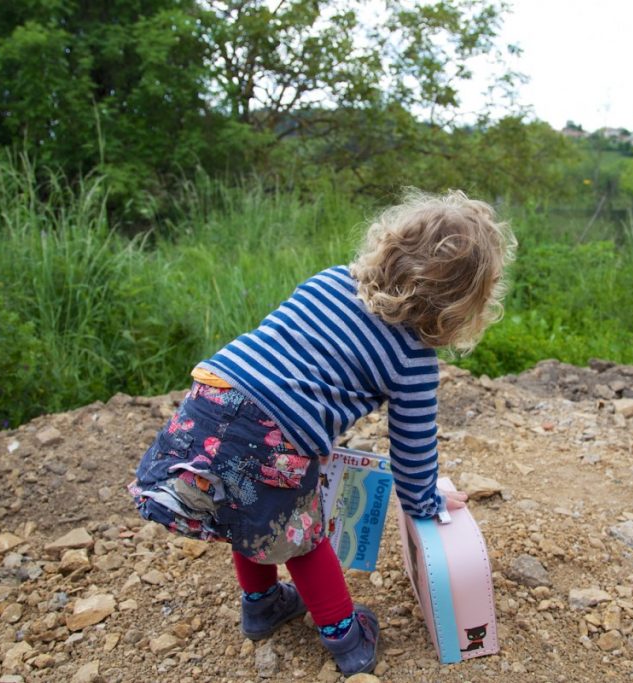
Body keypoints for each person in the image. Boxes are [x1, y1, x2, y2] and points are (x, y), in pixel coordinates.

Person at [128, 189, 516, 676]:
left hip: (211, 396)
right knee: (302, 537)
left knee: (242, 514)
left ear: (390, 244)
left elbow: (295, 358)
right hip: (266, 433)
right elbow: (413, 456)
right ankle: (346, 639)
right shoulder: (414, 360)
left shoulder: (330, 281)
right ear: (464, 302)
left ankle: (261, 605)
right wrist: (428, 505)